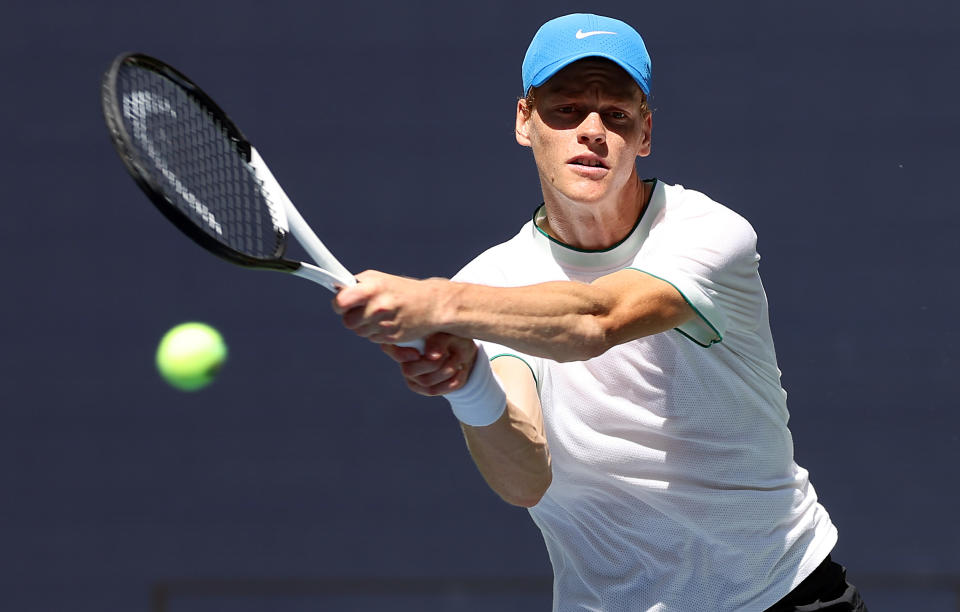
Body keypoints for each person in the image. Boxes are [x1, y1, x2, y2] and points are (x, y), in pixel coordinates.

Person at [332, 13, 867, 612]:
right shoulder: (489, 284)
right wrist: (468, 383)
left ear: (645, 135)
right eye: (565, 110)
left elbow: (596, 320)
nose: (592, 131)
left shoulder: (707, 232)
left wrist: (438, 302)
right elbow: (524, 479)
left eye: (616, 114)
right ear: (524, 121)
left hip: (783, 594)